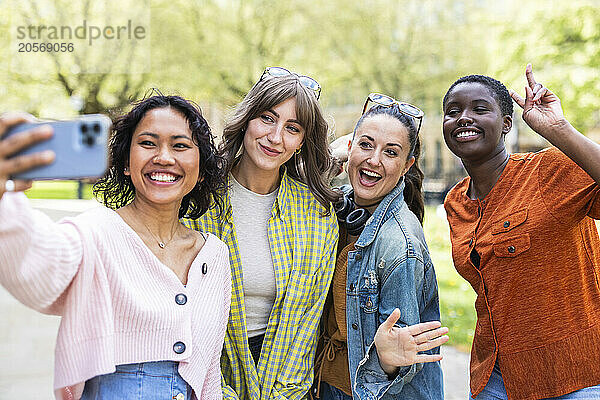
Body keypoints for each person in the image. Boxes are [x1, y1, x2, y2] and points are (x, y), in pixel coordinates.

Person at [0, 95, 231, 400]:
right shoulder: (96, 231)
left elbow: (209, 373)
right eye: (148, 143)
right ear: (125, 162)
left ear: (200, 169)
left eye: (180, 145)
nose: (163, 157)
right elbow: (36, 269)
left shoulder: (213, 256)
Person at [442, 64, 600, 400]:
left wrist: (558, 128)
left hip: (578, 376)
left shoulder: (548, 171)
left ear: (506, 124)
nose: (464, 118)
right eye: (452, 111)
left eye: (479, 109)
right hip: (496, 377)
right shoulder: (455, 201)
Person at [183, 67, 340, 399]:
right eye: (267, 118)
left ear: (301, 143)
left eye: (292, 128)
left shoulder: (318, 215)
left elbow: (307, 326)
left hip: (283, 383)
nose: (275, 137)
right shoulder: (196, 201)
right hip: (205, 376)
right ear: (246, 121)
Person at [315, 93, 447, 400]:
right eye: (365, 145)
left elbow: (403, 355)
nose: (374, 159)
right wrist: (334, 160)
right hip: (329, 384)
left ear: (406, 165)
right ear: (349, 148)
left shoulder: (399, 244)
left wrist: (386, 361)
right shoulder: (338, 209)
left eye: (391, 152)